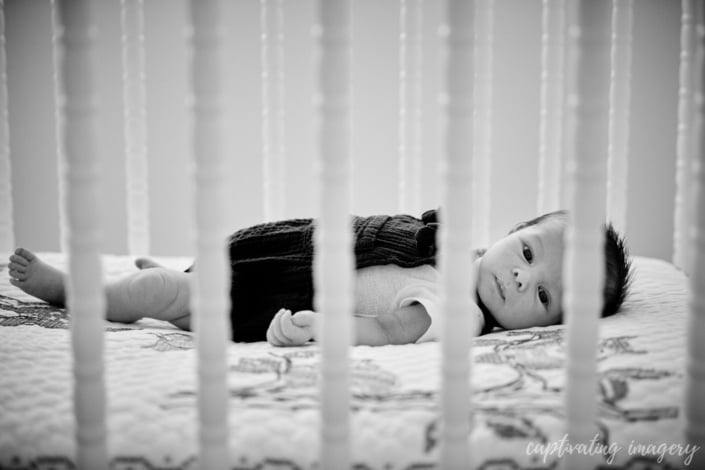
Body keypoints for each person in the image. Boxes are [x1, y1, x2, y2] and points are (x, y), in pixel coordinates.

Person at [6, 209, 631, 346]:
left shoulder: (460, 313)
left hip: (261, 306)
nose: (521, 280)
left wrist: (323, 331)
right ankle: (172, 284)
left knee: (162, 295)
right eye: (525, 253)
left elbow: (387, 327)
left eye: (544, 295)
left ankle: (74, 291)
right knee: (188, 279)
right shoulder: (453, 247)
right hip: (273, 264)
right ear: (511, 230)